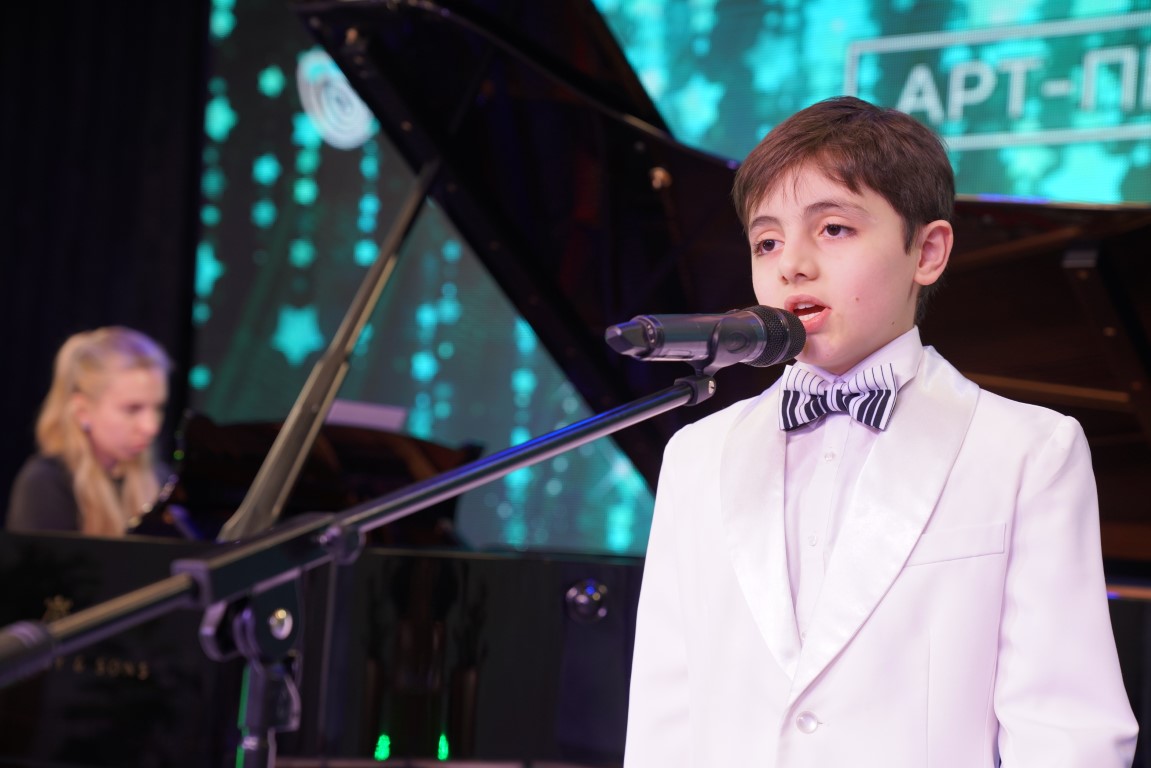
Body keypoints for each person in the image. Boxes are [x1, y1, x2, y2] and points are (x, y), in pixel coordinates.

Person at [623, 96, 1138, 767]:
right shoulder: (697, 453)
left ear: (927, 251)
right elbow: (664, 713)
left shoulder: (1026, 450)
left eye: (833, 229)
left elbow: (1065, 731)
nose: (791, 265)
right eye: (767, 241)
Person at [6, 326, 171, 536]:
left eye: (157, 408)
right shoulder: (46, 484)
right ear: (83, 412)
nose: (151, 427)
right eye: (132, 409)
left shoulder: (162, 481)